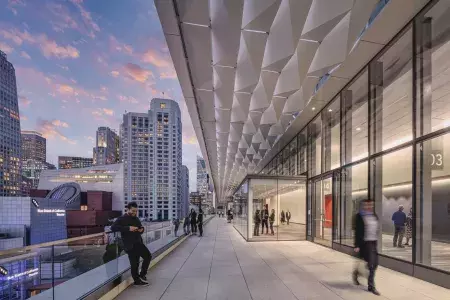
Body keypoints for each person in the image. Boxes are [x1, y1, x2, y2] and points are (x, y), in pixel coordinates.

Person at [111, 202, 151, 287]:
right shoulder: (121, 218)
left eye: (136, 211)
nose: (134, 213)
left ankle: (142, 275)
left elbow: (140, 228)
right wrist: (128, 228)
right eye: (133, 211)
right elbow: (113, 228)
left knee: (148, 256)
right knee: (135, 263)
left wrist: (141, 230)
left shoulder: (136, 218)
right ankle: (137, 280)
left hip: (138, 242)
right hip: (129, 244)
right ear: (128, 209)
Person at [353, 199, 380, 296]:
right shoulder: (359, 216)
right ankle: (371, 286)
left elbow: (375, 230)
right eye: (367, 205)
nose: (369, 207)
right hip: (365, 243)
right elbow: (357, 232)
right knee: (372, 265)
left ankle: (358, 272)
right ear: (363, 205)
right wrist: (356, 245)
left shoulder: (374, 216)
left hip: (373, 243)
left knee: (375, 264)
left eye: (371, 205)